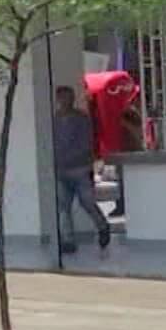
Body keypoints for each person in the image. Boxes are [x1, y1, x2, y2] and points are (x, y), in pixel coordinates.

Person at [51, 86, 111, 255]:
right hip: (61, 170)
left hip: (80, 169)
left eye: (68, 98)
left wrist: (76, 158)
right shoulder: (54, 120)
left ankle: (102, 226)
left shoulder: (81, 119)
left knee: (88, 202)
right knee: (63, 207)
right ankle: (68, 240)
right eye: (61, 98)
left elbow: (86, 144)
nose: (65, 102)